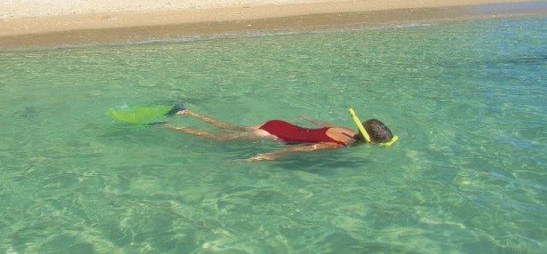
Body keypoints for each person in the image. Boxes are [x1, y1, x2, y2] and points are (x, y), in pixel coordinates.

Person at [165, 108, 394, 161]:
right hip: (270, 136)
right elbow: (300, 148)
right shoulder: (340, 145)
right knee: (215, 139)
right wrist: (264, 158)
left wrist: (307, 121)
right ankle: (170, 127)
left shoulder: (346, 130)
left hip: (278, 124)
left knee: (228, 127)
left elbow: (319, 125)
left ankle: (187, 112)